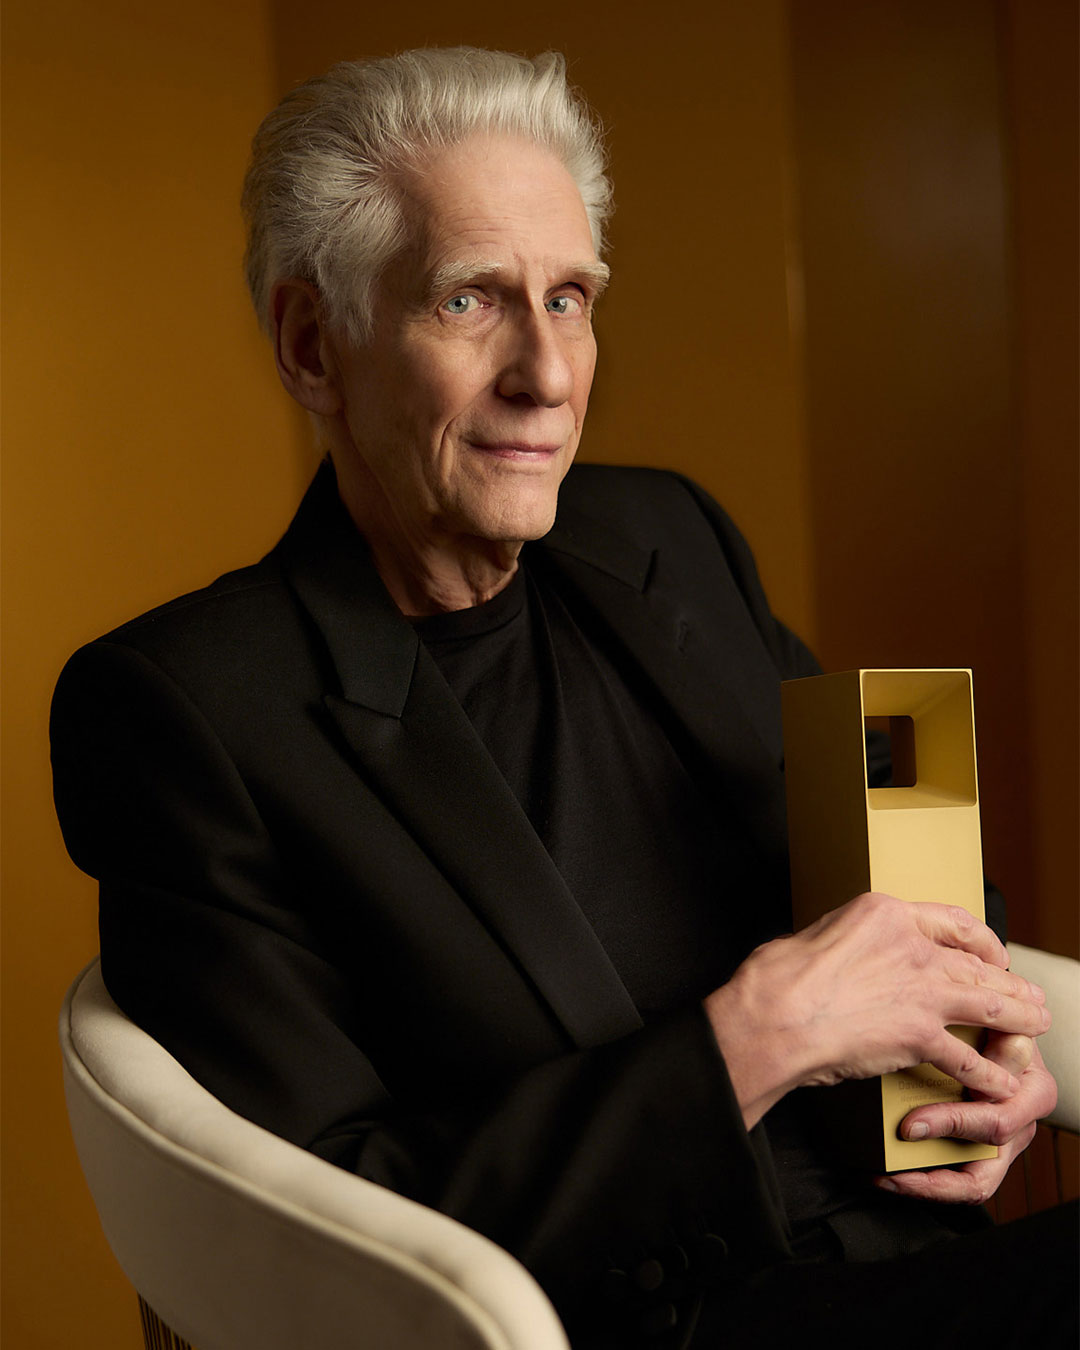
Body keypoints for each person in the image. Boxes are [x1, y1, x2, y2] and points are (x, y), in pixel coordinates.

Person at [51, 48, 1074, 1348]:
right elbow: (326, 1222)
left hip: (914, 1251)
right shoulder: (190, 713)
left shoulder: (665, 532)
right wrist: (750, 1040)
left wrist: (978, 1062)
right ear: (315, 344)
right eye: (473, 300)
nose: (548, 372)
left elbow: (882, 865)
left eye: (573, 297)